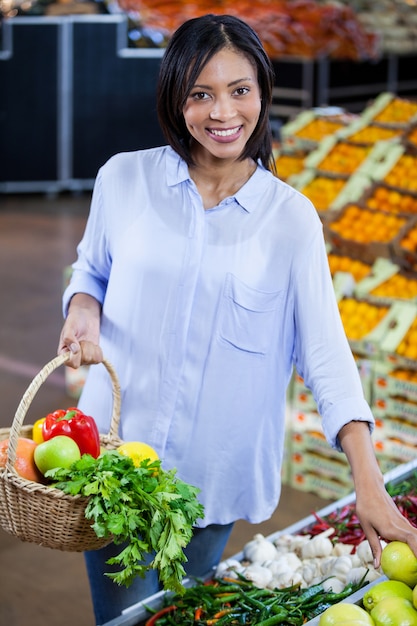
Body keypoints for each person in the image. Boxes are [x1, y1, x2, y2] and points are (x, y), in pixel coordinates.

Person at [58, 13, 417, 625]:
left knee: (188, 615)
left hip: (213, 474)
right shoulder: (124, 178)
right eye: (201, 93)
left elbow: (325, 354)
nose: (223, 112)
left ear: (262, 93)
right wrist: (84, 315)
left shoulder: (290, 219)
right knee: (122, 619)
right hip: (116, 465)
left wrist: (369, 480)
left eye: (239, 90)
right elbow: (90, 272)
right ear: (176, 98)